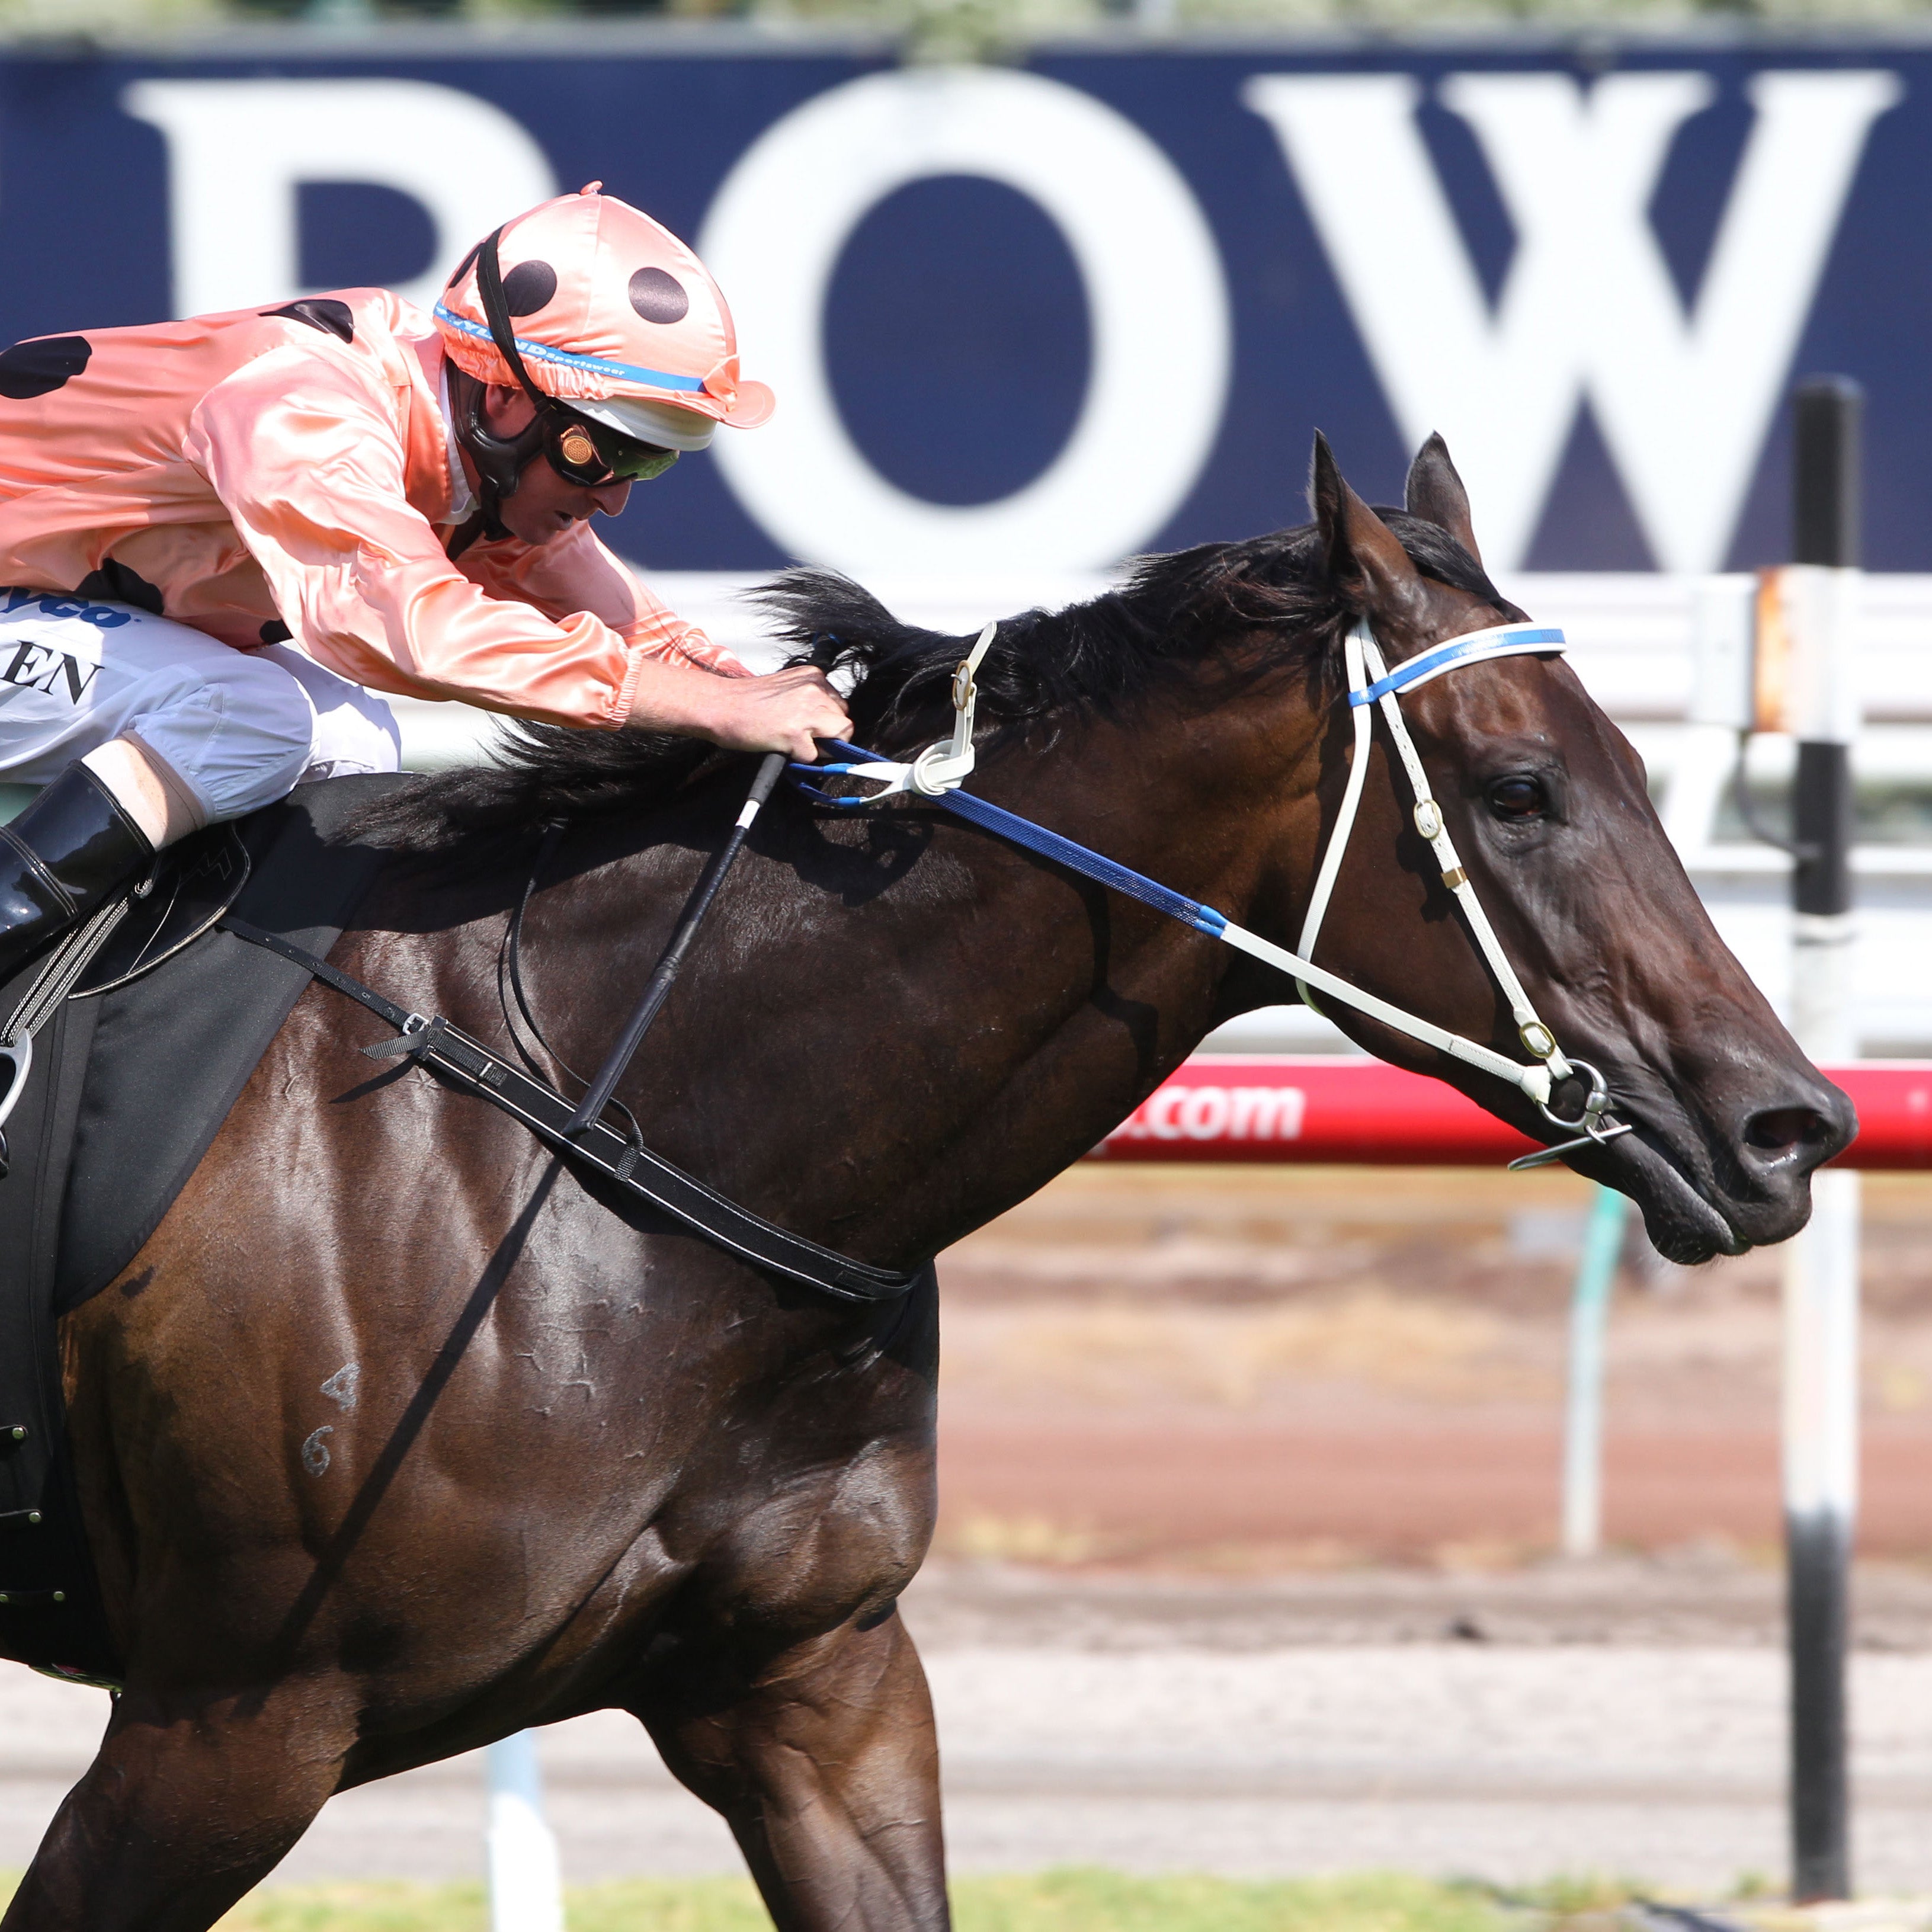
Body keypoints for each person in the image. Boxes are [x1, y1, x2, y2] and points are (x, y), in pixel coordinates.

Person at [0, 182, 850, 981]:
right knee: (246, 714)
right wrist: (696, 705)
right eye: (606, 449)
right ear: (509, 401)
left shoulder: (455, 428)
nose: (617, 496)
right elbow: (404, 628)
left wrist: (750, 694)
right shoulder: (303, 410)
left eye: (653, 459)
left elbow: (631, 627)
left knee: (356, 745)